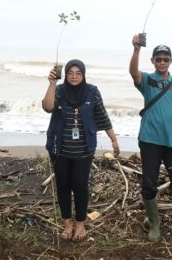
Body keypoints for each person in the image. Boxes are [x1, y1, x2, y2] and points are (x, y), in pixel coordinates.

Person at [43, 59, 120, 242]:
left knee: (80, 186)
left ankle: (80, 224)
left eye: (78, 73)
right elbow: (47, 107)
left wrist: (114, 139)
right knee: (63, 186)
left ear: (84, 75)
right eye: (70, 73)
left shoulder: (92, 91)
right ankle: (67, 223)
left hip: (84, 150)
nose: (74, 76)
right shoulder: (59, 91)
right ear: (66, 74)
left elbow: (102, 115)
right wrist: (52, 84)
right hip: (59, 149)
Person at [129, 36, 172, 241]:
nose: (162, 62)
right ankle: (154, 226)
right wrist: (137, 49)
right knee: (149, 183)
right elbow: (133, 72)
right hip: (149, 141)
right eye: (159, 59)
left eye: (166, 59)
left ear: (171, 61)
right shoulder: (147, 80)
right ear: (153, 61)